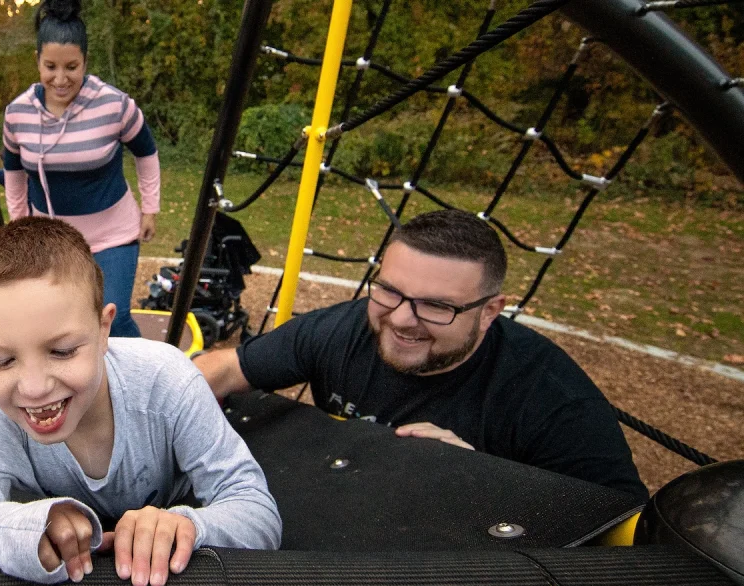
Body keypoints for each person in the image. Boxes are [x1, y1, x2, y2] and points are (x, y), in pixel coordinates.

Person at [194, 209, 648, 502]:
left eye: (436, 305)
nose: (402, 320)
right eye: (390, 290)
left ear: (490, 311)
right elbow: (225, 368)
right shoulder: (346, 327)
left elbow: (620, 522)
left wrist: (482, 477)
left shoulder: (552, 399)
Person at [0, 217, 280, 586]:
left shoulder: (168, 381)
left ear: (104, 331)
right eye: (2, 361)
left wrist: (187, 526)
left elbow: (256, 510)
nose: (34, 388)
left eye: (63, 351)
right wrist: (25, 526)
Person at [0, 0, 160, 338]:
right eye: (50, 66)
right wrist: (19, 222)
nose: (60, 78)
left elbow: (146, 152)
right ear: (38, 61)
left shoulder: (115, 105)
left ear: (85, 62)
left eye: (72, 66)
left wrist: (150, 208)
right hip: (53, 238)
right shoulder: (17, 114)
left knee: (112, 319)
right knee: (63, 323)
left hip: (112, 234)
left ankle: (144, 378)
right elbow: (13, 172)